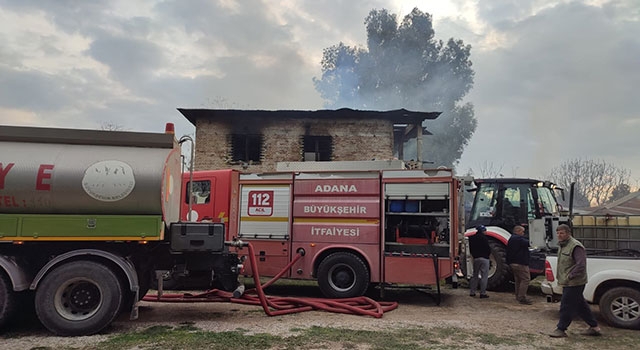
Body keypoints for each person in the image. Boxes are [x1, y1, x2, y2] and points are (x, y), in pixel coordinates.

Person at [549, 224, 602, 338]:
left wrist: (570, 276)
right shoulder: (562, 245)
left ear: (568, 233)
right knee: (580, 305)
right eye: (558, 233)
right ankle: (594, 327)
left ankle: (561, 329)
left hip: (575, 282)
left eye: (562, 233)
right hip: (567, 282)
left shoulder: (575, 246)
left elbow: (581, 264)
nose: (559, 235)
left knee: (566, 305)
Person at [506, 225, 532, 305]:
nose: (523, 233)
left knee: (518, 280)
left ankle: (518, 295)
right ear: (517, 231)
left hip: (513, 262)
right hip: (520, 263)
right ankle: (522, 297)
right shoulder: (518, 239)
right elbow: (529, 243)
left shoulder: (511, 239)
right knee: (525, 279)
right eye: (522, 231)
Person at [469, 225, 491, 298]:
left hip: (476, 258)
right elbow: (488, 249)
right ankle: (482, 293)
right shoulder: (484, 238)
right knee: (484, 276)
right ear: (483, 231)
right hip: (484, 258)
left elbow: (470, 248)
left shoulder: (472, 238)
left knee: (475, 275)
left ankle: (472, 292)